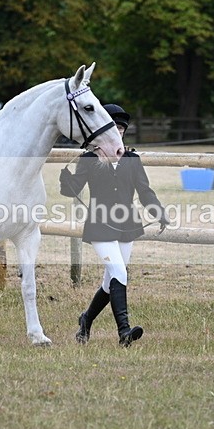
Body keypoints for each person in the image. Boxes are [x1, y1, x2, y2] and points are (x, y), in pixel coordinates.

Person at [59, 103, 168, 347]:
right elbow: (72, 190)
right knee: (120, 273)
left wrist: (158, 211)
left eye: (121, 128)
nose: (117, 132)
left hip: (127, 224)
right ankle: (124, 332)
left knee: (110, 282)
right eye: (113, 128)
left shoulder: (132, 159)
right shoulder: (89, 159)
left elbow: (144, 190)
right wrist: (65, 180)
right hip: (100, 225)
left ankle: (86, 320)